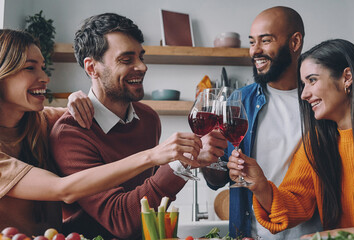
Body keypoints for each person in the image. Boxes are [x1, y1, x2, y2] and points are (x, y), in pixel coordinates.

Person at [0, 29, 202, 237]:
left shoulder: (40, 121)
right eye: (30, 68)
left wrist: (75, 98)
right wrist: (153, 155)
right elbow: (63, 189)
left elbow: (99, 112)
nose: (44, 77)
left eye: (42, 68)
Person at [49, 13, 220, 240]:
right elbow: (120, 220)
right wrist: (179, 164)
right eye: (126, 59)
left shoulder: (148, 118)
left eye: (140, 56)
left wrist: (190, 160)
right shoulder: (71, 134)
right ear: (92, 68)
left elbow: (149, 196)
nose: (142, 66)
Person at [228, 39, 354, 238]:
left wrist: (338, 235)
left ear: (347, 77)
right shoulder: (317, 142)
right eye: (303, 84)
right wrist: (260, 185)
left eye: (312, 80)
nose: (304, 94)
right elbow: (296, 203)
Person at [201, 6, 322, 239]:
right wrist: (209, 159)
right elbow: (219, 178)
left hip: (313, 234)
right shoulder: (239, 101)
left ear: (295, 42)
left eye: (265, 41)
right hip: (252, 235)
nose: (255, 51)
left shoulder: (321, 99)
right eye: (252, 42)